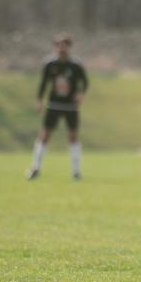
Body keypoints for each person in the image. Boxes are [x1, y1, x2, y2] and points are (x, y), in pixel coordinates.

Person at [26, 34, 89, 181]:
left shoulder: (76, 65)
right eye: (58, 45)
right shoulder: (50, 64)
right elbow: (43, 83)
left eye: (64, 45)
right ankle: (36, 167)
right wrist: (39, 100)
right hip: (53, 105)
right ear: (55, 47)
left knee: (73, 136)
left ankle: (76, 171)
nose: (61, 48)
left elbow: (85, 82)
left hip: (71, 107)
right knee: (44, 135)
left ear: (68, 47)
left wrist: (81, 94)